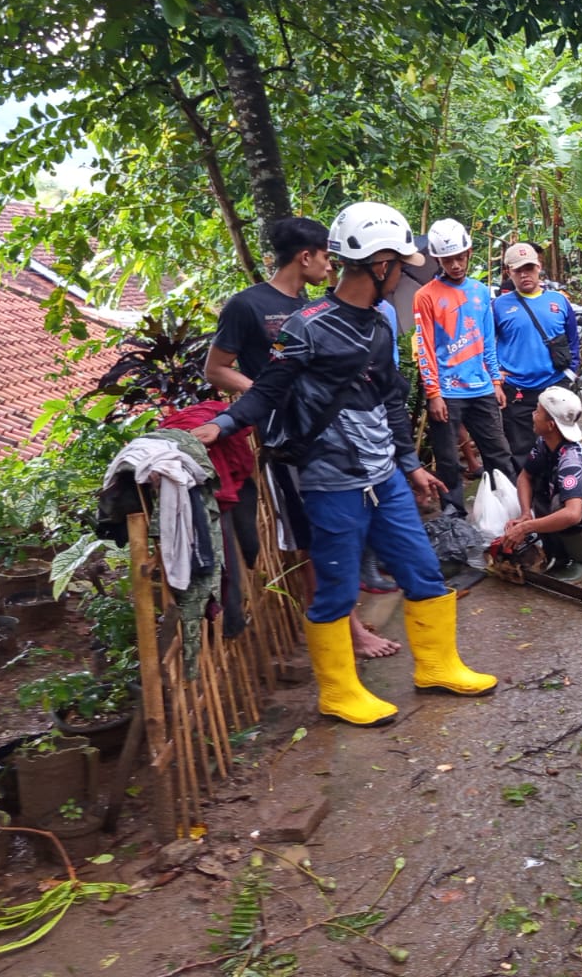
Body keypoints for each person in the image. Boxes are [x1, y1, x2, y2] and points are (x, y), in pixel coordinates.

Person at [191, 202, 497, 727]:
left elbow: (391, 401)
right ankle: (338, 692)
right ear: (380, 264)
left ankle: (438, 666)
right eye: (400, 264)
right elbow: (269, 390)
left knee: (422, 571)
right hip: (331, 483)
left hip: (385, 478)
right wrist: (220, 426)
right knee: (336, 587)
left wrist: (409, 464)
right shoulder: (304, 327)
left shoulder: (379, 328)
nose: (404, 274)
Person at [204, 217, 401, 660]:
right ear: (305, 256)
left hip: (329, 439)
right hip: (284, 440)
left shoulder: (315, 309)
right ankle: (349, 631)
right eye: (327, 258)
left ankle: (348, 619)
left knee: (337, 530)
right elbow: (215, 368)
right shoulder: (247, 305)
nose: (331, 268)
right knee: (312, 536)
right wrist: (268, 393)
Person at [412, 218, 514, 511]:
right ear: (437, 259)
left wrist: (495, 381)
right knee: (447, 460)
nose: (455, 265)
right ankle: (452, 518)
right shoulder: (425, 296)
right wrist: (433, 394)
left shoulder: (481, 291)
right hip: (447, 393)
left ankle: (508, 512)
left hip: (481, 388)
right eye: (448, 259)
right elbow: (425, 347)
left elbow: (488, 342)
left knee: (499, 453)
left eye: (459, 257)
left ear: (469, 253)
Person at [502, 387, 582, 583]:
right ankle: (561, 553)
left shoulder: (571, 462)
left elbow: (572, 514)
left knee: (561, 502)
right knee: (541, 488)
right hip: (579, 520)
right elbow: (525, 477)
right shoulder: (544, 444)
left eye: (537, 412)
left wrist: (526, 528)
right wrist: (525, 514)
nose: (533, 415)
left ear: (550, 425)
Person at [491, 242, 581, 464]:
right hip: (517, 389)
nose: (525, 275)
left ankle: (563, 492)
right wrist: (495, 376)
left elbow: (573, 340)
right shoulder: (499, 306)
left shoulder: (558, 301)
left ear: (539, 267)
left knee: (561, 446)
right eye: (518, 270)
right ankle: (528, 496)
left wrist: (571, 372)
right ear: (508, 272)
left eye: (529, 268)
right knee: (521, 450)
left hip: (554, 384)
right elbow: (486, 344)